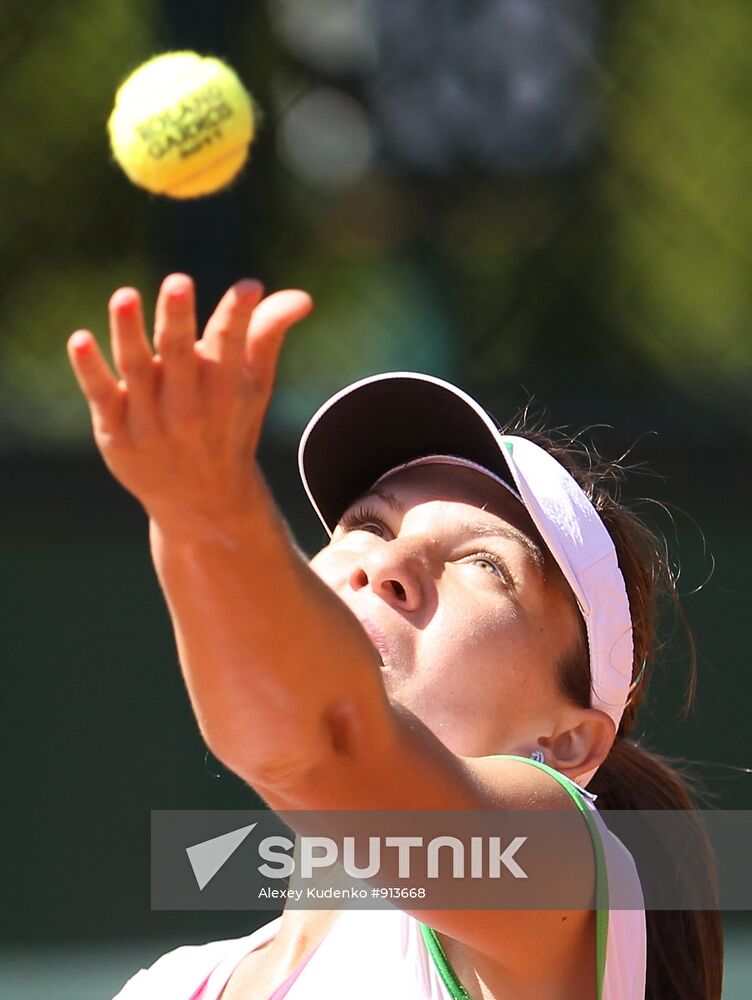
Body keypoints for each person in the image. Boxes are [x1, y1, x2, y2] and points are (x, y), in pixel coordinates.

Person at [67, 274, 723, 1000]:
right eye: (368, 526)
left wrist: (204, 512)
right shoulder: (169, 986)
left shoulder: (565, 868)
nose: (387, 563)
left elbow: (321, 746)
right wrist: (195, 514)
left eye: (485, 564)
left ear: (569, 743)